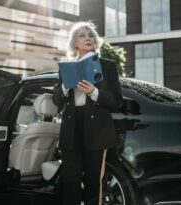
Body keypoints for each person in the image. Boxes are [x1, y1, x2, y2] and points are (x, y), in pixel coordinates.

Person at [52, 21, 123, 205]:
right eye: (82, 35)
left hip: (97, 132)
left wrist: (94, 92)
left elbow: (117, 101)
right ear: (75, 43)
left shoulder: (107, 66)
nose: (88, 38)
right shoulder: (66, 69)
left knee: (93, 182)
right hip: (71, 131)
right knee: (70, 182)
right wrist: (65, 87)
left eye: (90, 35)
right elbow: (57, 101)